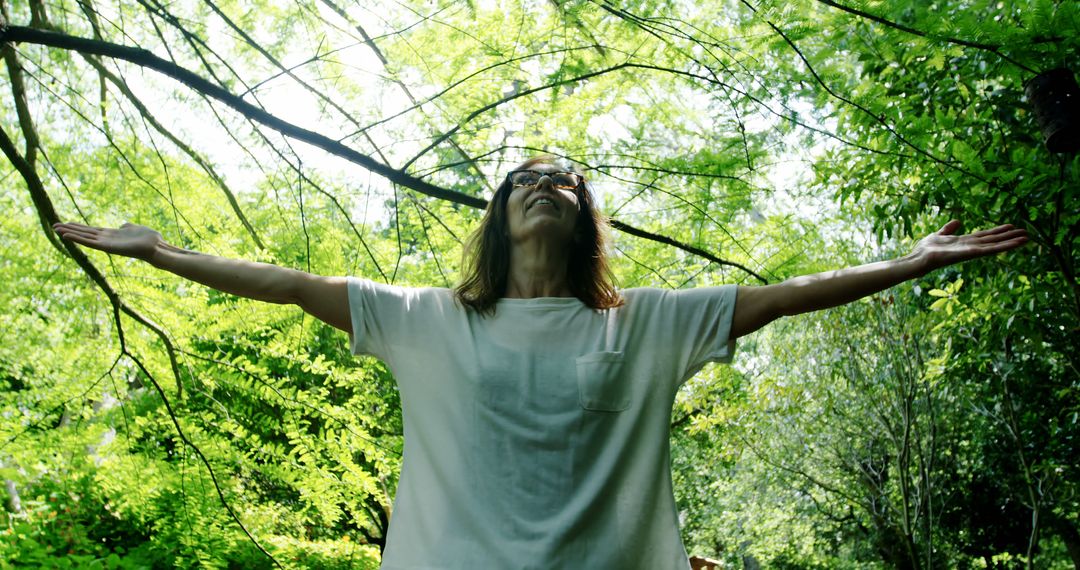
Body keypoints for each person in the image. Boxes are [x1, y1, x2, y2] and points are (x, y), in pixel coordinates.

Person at [53, 156, 1028, 569]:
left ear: (582, 215)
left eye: (562, 180)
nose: (543, 187)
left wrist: (907, 266)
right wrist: (160, 252)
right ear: (500, 216)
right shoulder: (429, 321)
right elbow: (287, 281)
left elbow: (785, 294)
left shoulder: (640, 324)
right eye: (522, 180)